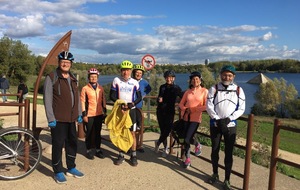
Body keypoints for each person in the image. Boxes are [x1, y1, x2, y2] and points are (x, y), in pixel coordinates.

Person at [43, 51, 84, 184]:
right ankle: (58, 171)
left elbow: (76, 98)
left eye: (68, 62)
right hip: (58, 119)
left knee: (72, 143)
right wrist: (50, 118)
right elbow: (47, 99)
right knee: (58, 144)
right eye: (63, 62)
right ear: (59, 63)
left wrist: (79, 114)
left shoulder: (72, 78)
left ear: (71, 64)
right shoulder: (52, 77)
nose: (65, 64)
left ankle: (71, 167)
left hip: (71, 119)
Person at [206, 65, 246, 190]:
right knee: (215, 150)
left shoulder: (239, 90)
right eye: (224, 75)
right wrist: (217, 119)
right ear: (220, 75)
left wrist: (229, 119)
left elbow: (241, 108)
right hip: (216, 124)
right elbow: (209, 105)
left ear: (233, 76)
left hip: (230, 125)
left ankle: (227, 180)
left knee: (229, 153)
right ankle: (215, 173)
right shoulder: (214, 88)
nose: (226, 77)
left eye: (229, 75)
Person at [109, 60, 142, 166]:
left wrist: (132, 104)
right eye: (123, 70)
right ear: (121, 70)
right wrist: (120, 104)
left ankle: (133, 155)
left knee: (132, 133)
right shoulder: (116, 80)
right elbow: (112, 96)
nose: (125, 72)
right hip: (121, 110)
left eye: (127, 70)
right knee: (121, 132)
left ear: (131, 71)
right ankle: (121, 154)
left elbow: (139, 97)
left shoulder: (135, 82)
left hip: (131, 111)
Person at [178, 71, 208, 168]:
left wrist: (194, 109)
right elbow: (181, 104)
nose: (195, 81)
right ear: (190, 81)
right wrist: (185, 109)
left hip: (195, 118)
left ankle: (197, 144)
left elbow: (206, 106)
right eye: (193, 79)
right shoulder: (187, 92)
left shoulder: (204, 91)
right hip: (186, 117)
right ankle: (187, 158)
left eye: (197, 79)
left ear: (200, 80)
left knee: (187, 138)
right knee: (185, 139)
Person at [155, 70, 183, 157]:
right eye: (167, 77)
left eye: (171, 77)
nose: (169, 79)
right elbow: (159, 97)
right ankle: (165, 148)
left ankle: (158, 142)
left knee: (167, 130)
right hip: (160, 111)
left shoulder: (176, 88)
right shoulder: (162, 87)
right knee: (163, 130)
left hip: (170, 111)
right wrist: (159, 99)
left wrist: (182, 104)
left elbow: (183, 97)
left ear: (174, 78)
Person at [81, 68, 107, 160]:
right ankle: (88, 150)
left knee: (97, 133)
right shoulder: (85, 88)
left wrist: (105, 112)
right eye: (91, 77)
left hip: (99, 114)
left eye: (95, 77)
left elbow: (103, 100)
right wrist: (84, 115)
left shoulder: (101, 88)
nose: (93, 78)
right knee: (89, 133)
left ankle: (98, 149)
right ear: (89, 78)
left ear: (97, 78)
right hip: (89, 114)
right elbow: (83, 102)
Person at [132, 64, 152, 152]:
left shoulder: (144, 82)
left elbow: (149, 89)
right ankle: (130, 145)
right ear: (134, 73)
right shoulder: (130, 81)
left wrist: (144, 94)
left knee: (139, 128)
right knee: (130, 127)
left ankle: (138, 145)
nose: (138, 74)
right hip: (130, 107)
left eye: (140, 73)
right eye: (137, 73)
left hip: (139, 107)